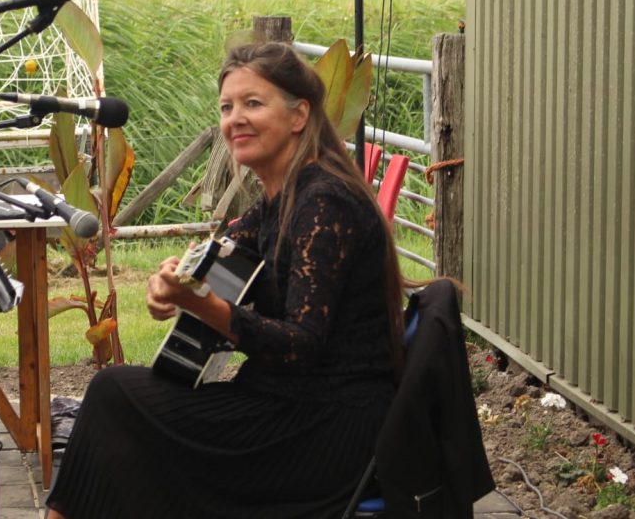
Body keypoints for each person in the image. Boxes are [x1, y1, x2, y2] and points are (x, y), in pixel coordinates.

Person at [45, 41, 412, 518]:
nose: (235, 119)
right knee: (117, 399)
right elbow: (218, 257)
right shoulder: (280, 197)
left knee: (116, 398)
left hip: (326, 428)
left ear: (299, 115)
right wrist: (171, 282)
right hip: (286, 403)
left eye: (252, 103)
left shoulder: (325, 202)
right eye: (226, 107)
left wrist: (204, 306)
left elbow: (301, 345)